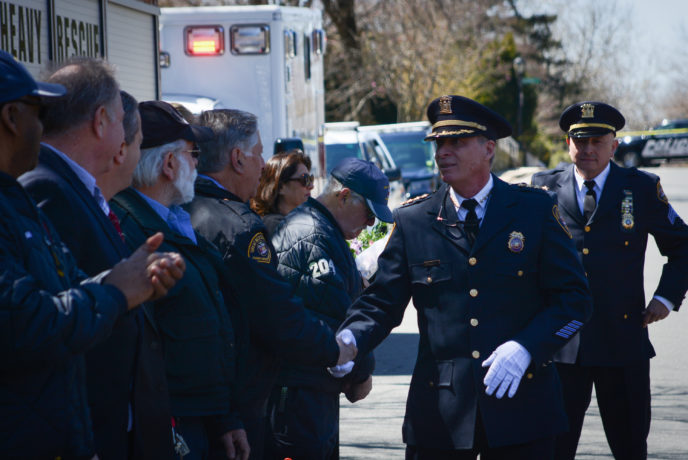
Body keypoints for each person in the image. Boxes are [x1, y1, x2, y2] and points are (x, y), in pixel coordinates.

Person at [335, 95, 593, 459]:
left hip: (522, 406)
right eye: (439, 143)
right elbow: (381, 303)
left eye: (457, 141)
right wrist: (350, 337)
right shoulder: (414, 220)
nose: (443, 152)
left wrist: (527, 347)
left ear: (489, 149)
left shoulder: (535, 211)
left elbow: (575, 300)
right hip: (441, 414)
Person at [0, 50, 184, 459]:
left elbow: (55, 293)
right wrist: (117, 289)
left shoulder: (20, 194)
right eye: (36, 111)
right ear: (12, 118)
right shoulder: (41, 187)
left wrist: (124, 280)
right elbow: (30, 323)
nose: (43, 124)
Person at [185, 109, 356, 459]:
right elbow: (277, 312)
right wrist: (334, 348)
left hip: (199, 398)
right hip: (238, 399)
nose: (263, 164)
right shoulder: (241, 227)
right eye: (258, 153)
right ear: (236, 158)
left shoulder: (181, 208)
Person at [531, 101, 688, 459]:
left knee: (630, 446)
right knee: (552, 448)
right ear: (568, 143)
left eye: (597, 141)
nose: (587, 149)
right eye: (579, 140)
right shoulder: (542, 190)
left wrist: (666, 298)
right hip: (559, 347)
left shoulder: (642, 188)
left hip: (622, 343)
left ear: (614, 145)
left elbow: (683, 246)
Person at [110, 100, 250, 460]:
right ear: (169, 165)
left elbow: (206, 330)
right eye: (193, 153)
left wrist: (224, 418)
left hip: (201, 418)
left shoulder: (174, 222)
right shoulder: (131, 232)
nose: (198, 163)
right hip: (172, 426)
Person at [267, 157, 389, 459]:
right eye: (368, 213)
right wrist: (362, 372)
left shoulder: (323, 230)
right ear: (344, 196)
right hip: (298, 396)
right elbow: (333, 317)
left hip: (310, 392)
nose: (371, 223)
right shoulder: (312, 235)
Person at [251, 148, 314, 236]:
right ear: (280, 187)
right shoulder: (276, 227)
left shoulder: (294, 222)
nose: (311, 186)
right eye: (305, 179)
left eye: (311, 179)